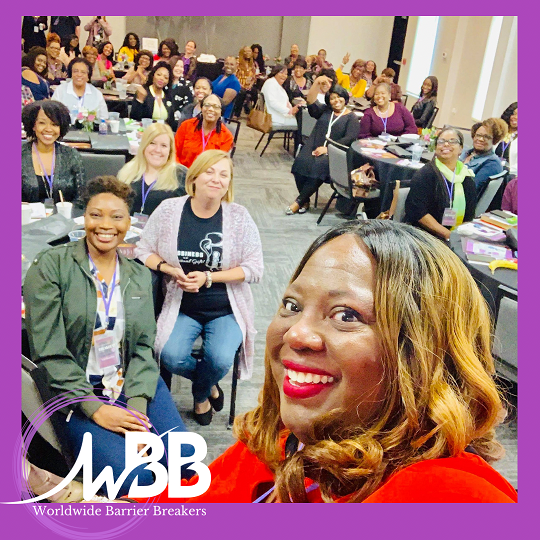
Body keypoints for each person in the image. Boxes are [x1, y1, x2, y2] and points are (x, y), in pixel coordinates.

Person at [137, 219, 517, 503]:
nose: (296, 334)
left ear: (422, 353)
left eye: (346, 315)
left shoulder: (449, 500)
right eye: (292, 305)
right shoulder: (281, 442)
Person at [23, 176, 191, 498]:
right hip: (77, 393)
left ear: (129, 223)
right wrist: (96, 408)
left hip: (132, 383)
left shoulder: (139, 275)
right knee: (141, 478)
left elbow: (143, 347)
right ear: (83, 217)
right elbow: (50, 353)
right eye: (95, 214)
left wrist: (138, 409)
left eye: (117, 216)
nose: (105, 225)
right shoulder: (51, 266)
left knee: (183, 462)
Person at [135, 150, 263, 425]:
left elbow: (255, 269)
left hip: (226, 307)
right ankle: (208, 386)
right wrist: (169, 269)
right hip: (182, 304)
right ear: (194, 176)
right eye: (209, 171)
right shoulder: (169, 210)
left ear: (229, 183)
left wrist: (209, 278)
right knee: (169, 355)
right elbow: (142, 249)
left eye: (223, 174)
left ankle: (201, 393)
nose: (216, 179)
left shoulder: (239, 216)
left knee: (219, 359)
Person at [287, 80, 359, 215]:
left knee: (319, 166)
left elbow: (349, 138)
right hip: (314, 146)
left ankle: (298, 201)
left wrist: (328, 149)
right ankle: (305, 200)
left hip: (334, 154)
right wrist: (317, 84)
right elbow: (311, 100)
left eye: (339, 97)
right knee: (300, 164)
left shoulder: (351, 117)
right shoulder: (325, 111)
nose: (336, 100)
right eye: (332, 98)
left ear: (345, 98)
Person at [405, 127, 476, 240]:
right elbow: (418, 213)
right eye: (441, 141)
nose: (446, 144)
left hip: (454, 237)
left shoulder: (467, 177)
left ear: (461, 149)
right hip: (424, 236)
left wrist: (459, 238)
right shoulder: (425, 174)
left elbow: (469, 215)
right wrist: (448, 235)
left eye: (452, 141)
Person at [22, 100, 86, 204]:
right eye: (42, 123)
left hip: (64, 218)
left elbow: (81, 199)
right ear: (33, 126)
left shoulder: (72, 156)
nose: (48, 129)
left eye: (54, 124)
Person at [118, 123, 187, 216]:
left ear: (170, 150)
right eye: (152, 143)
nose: (157, 150)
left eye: (163, 145)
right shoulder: (127, 171)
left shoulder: (181, 176)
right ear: (144, 145)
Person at [174, 94, 234, 168]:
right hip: (182, 173)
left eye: (216, 107)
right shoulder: (186, 126)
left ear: (221, 112)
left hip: (209, 176)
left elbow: (219, 164)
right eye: (207, 105)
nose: (211, 109)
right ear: (201, 108)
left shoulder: (226, 136)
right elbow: (174, 153)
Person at [461, 118, 507, 194]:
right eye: (478, 135)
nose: (481, 139)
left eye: (487, 137)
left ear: (495, 140)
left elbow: (471, 191)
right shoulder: (464, 152)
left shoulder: (492, 163)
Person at [261, 64, 300, 130]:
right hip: (275, 118)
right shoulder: (270, 83)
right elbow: (273, 103)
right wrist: (289, 111)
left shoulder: (277, 84)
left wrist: (293, 109)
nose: (284, 76)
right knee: (302, 123)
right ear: (275, 72)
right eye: (281, 73)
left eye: (286, 74)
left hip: (280, 115)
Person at [167, 56, 194, 131]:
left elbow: (189, 105)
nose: (179, 69)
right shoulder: (164, 83)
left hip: (178, 123)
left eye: (181, 67)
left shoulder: (187, 85)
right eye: (176, 66)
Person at [231, 46, 258, 118]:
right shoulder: (238, 63)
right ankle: (237, 114)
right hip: (238, 84)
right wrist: (241, 85)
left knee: (255, 92)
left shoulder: (252, 64)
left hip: (248, 85)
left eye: (249, 51)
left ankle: (253, 113)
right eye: (246, 51)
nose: (248, 53)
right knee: (242, 92)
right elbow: (234, 76)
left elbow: (254, 77)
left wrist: (250, 85)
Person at [495, 102, 517, 174]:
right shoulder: (499, 132)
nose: (515, 117)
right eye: (513, 114)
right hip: (494, 168)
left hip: (510, 175)